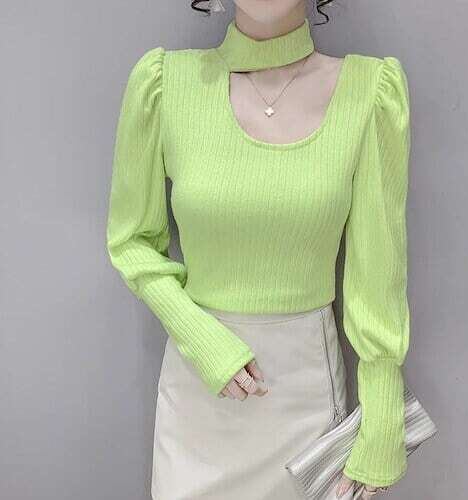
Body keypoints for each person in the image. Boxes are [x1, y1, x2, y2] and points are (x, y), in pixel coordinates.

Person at [105, 1, 411, 498]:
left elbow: (379, 274)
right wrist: (202, 339)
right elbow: (131, 241)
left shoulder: (369, 92)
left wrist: (382, 424)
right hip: (197, 396)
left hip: (305, 396)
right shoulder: (163, 85)